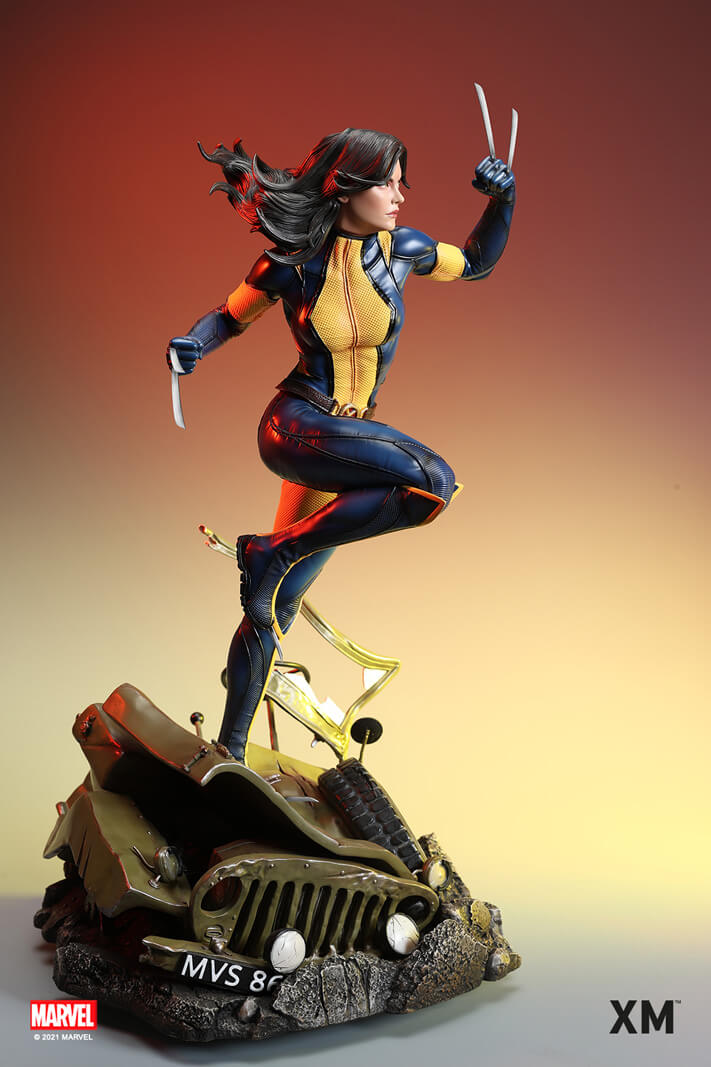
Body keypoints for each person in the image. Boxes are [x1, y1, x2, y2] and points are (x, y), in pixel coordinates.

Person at [167, 127, 515, 762]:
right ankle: (270, 555)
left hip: (348, 444)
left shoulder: (404, 251)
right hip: (296, 426)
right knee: (432, 479)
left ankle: (229, 751)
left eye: (402, 182)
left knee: (276, 604)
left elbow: (476, 262)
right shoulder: (290, 264)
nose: (400, 196)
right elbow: (227, 317)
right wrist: (192, 345)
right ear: (345, 186)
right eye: (388, 183)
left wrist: (502, 201)